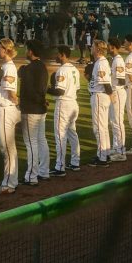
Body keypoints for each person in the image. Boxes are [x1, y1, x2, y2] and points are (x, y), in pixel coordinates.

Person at [19, 40, 51, 186]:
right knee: (41, 140)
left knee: (31, 143)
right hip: (40, 109)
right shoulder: (42, 67)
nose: (26, 51)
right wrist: (42, 101)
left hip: (31, 109)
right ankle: (44, 171)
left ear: (31, 51)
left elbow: (31, 91)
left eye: (27, 49)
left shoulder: (30, 68)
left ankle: (32, 176)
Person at [0, 38, 22, 194]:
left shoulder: (9, 68)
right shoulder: (6, 66)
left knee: (7, 149)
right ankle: (10, 181)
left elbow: (11, 94)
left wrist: (17, 104)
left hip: (5, 110)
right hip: (3, 109)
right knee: (8, 149)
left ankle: (9, 184)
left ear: (6, 49)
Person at [48, 45, 81, 175]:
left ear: (62, 55)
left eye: (57, 54)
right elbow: (77, 88)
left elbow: (60, 91)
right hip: (73, 103)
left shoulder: (62, 70)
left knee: (60, 135)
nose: (55, 56)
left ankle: (60, 166)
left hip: (64, 105)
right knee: (72, 133)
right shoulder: (74, 69)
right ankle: (75, 162)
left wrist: (46, 89)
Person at [87, 40, 113, 165]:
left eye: (93, 46)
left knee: (99, 128)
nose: (91, 48)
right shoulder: (101, 62)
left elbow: (106, 83)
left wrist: (111, 95)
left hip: (99, 96)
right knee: (103, 127)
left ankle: (102, 157)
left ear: (98, 49)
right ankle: (106, 154)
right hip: (100, 96)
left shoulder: (101, 63)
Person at [107, 38, 128, 161]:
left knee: (118, 122)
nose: (108, 48)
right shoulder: (115, 59)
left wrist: (113, 90)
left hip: (118, 92)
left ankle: (121, 151)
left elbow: (121, 80)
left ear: (113, 47)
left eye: (109, 46)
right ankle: (116, 148)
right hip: (115, 92)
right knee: (114, 122)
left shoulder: (118, 60)